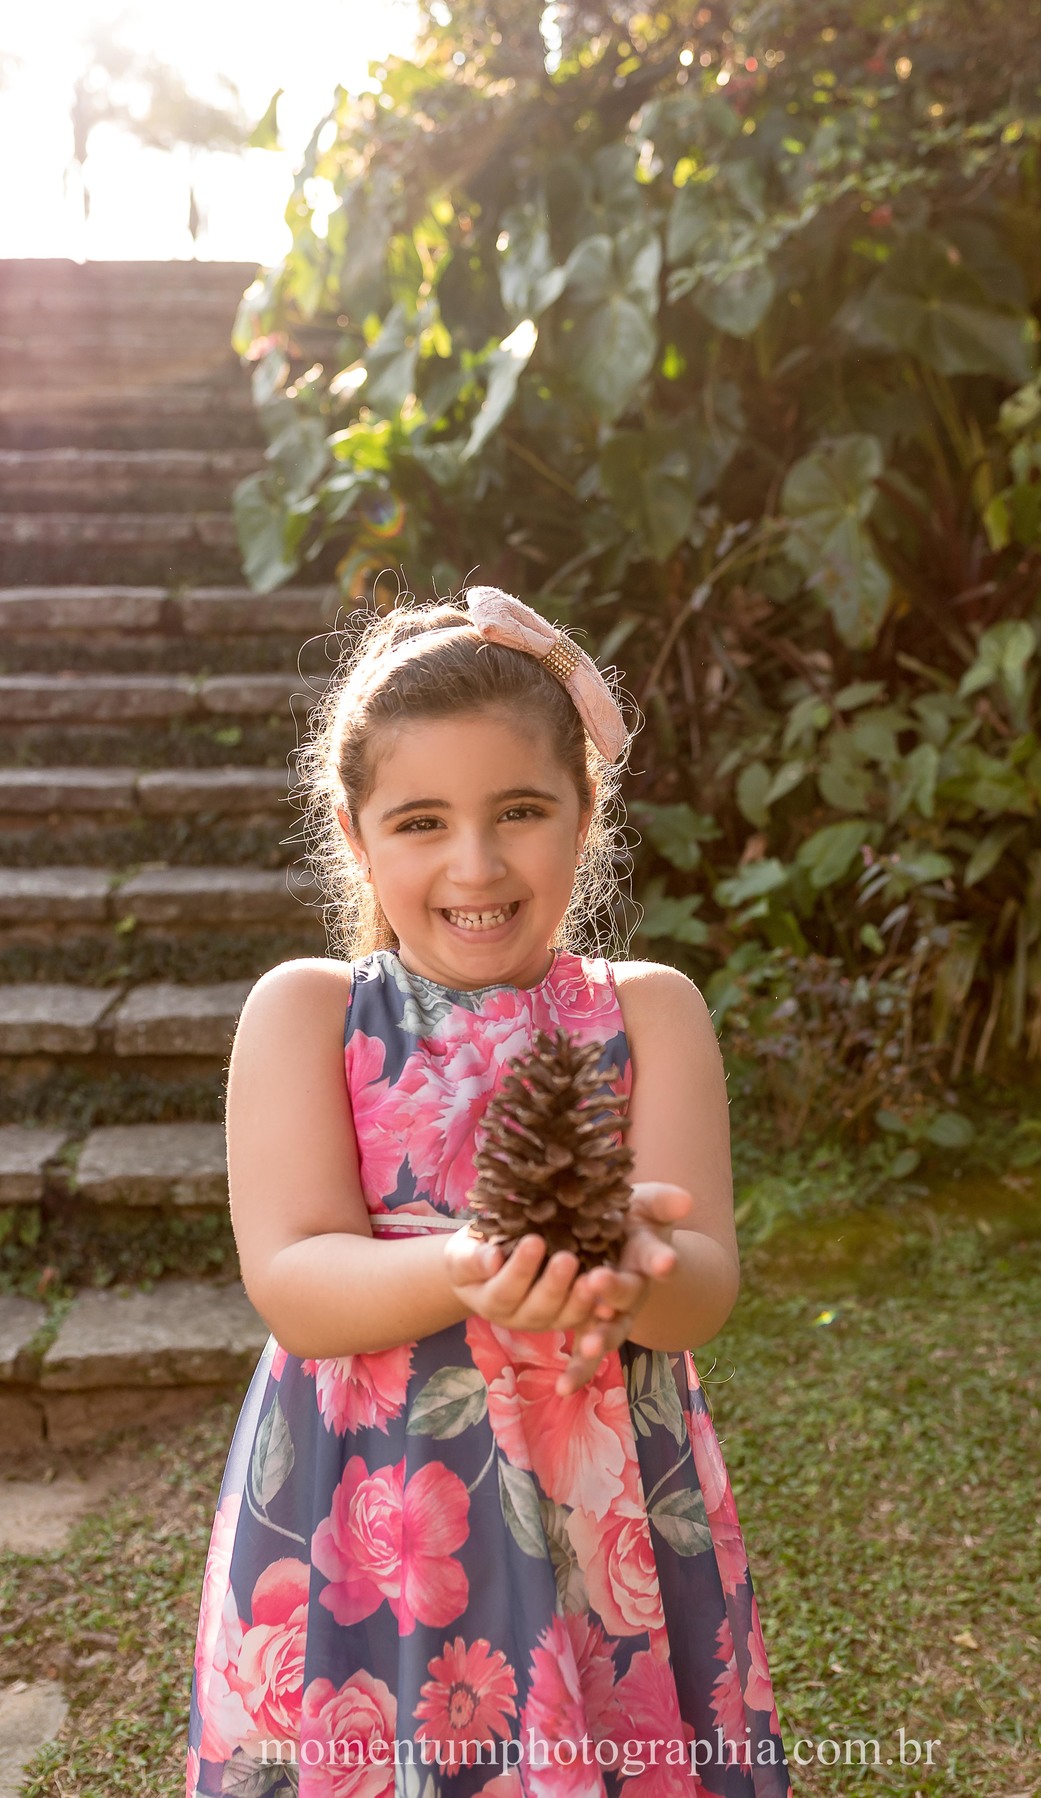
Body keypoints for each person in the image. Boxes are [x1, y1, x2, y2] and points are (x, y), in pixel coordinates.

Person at [186, 587, 792, 1798]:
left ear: (584, 816)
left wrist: (635, 1269)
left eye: (521, 810)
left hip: (602, 1492)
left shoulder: (648, 1011)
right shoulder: (308, 1013)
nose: (476, 863)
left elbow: (707, 1285)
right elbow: (297, 1280)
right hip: (368, 1494)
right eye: (421, 821)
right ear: (357, 837)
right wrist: (476, 1261)